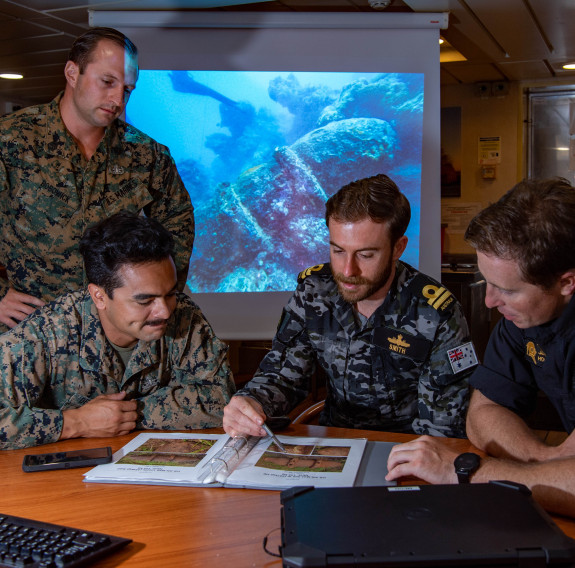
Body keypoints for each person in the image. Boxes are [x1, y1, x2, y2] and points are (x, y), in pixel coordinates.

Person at [223, 174, 476, 439]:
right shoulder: (315, 292)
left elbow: (443, 424)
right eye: (337, 250)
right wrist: (252, 403)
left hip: (407, 447)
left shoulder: (436, 312)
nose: (347, 270)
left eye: (366, 255)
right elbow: (283, 375)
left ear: (398, 248)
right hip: (333, 443)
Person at [386, 177, 575, 517]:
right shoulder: (522, 321)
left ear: (567, 282)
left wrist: (463, 471)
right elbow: (483, 414)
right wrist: (546, 462)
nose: (489, 301)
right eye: (487, 282)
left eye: (507, 290)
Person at [0, 27, 194, 333]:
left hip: (111, 333)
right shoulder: (11, 141)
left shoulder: (146, 155)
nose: (118, 99)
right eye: (107, 82)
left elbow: (178, 221)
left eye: (128, 89)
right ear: (72, 73)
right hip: (33, 333)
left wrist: (158, 294)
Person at [0, 211, 235, 450]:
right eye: (145, 301)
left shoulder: (185, 316)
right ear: (99, 296)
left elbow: (220, 398)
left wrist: (126, 415)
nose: (164, 311)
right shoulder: (45, 333)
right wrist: (76, 422)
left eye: (170, 294)